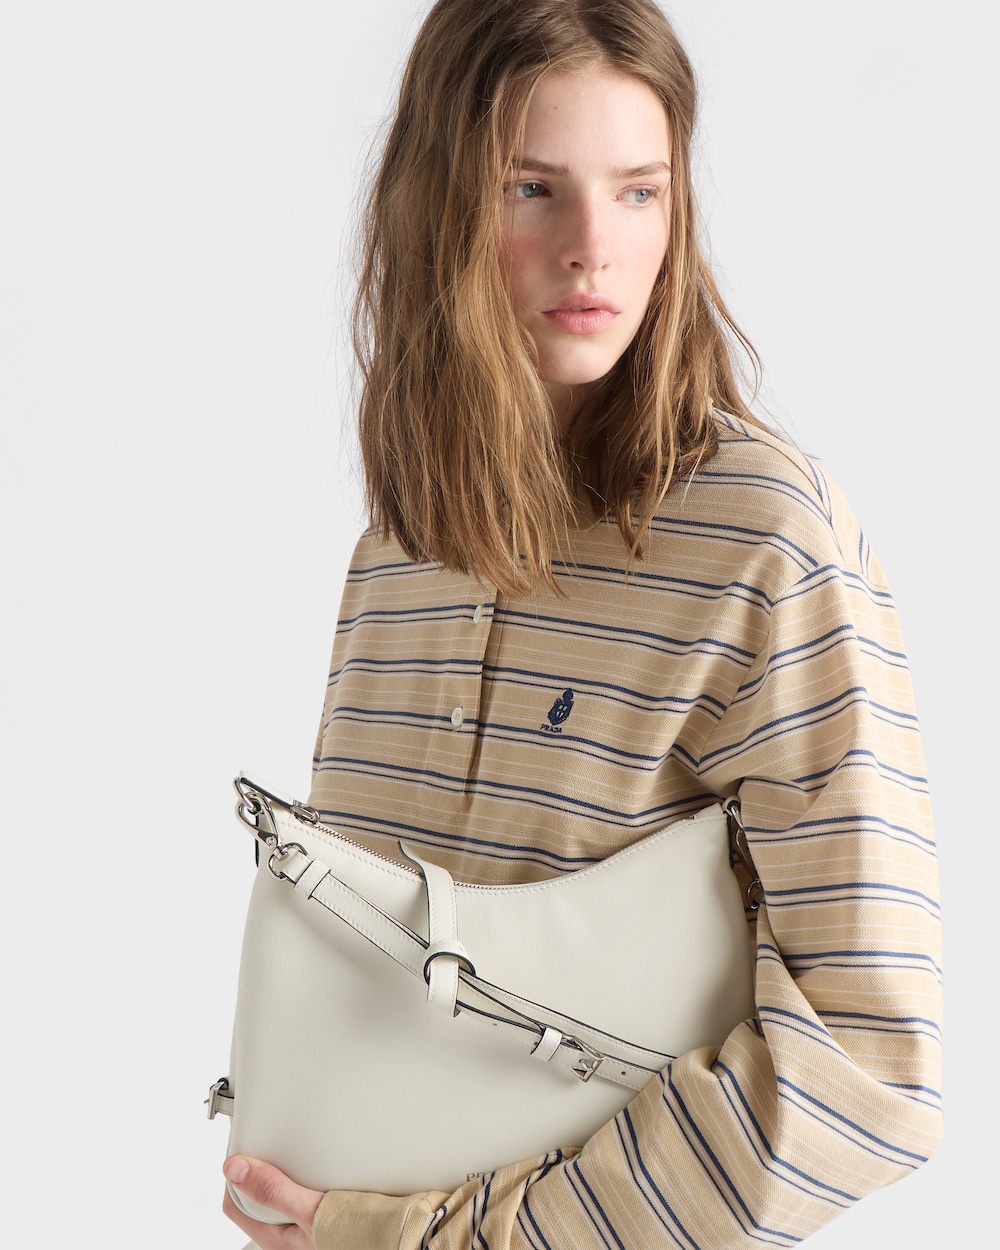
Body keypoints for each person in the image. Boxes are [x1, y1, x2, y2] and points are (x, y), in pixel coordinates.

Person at [221, 1, 944, 1246]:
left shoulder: (762, 538)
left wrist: (436, 1238)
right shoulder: (397, 553)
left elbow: (868, 1069)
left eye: (638, 191)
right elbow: (379, 973)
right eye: (532, 189)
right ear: (437, 204)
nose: (592, 250)